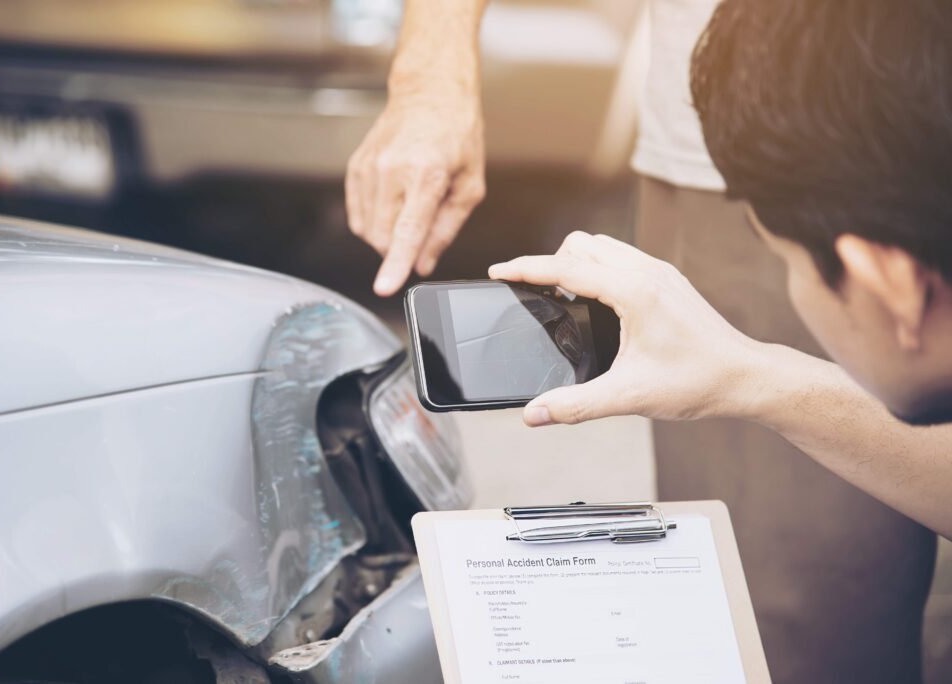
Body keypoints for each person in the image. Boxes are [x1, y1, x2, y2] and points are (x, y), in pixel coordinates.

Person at [345, 1, 936, 681]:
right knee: (774, 618)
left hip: (855, 134)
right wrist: (754, 379)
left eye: (798, 269)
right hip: (776, 134)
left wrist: (751, 378)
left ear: (894, 285)